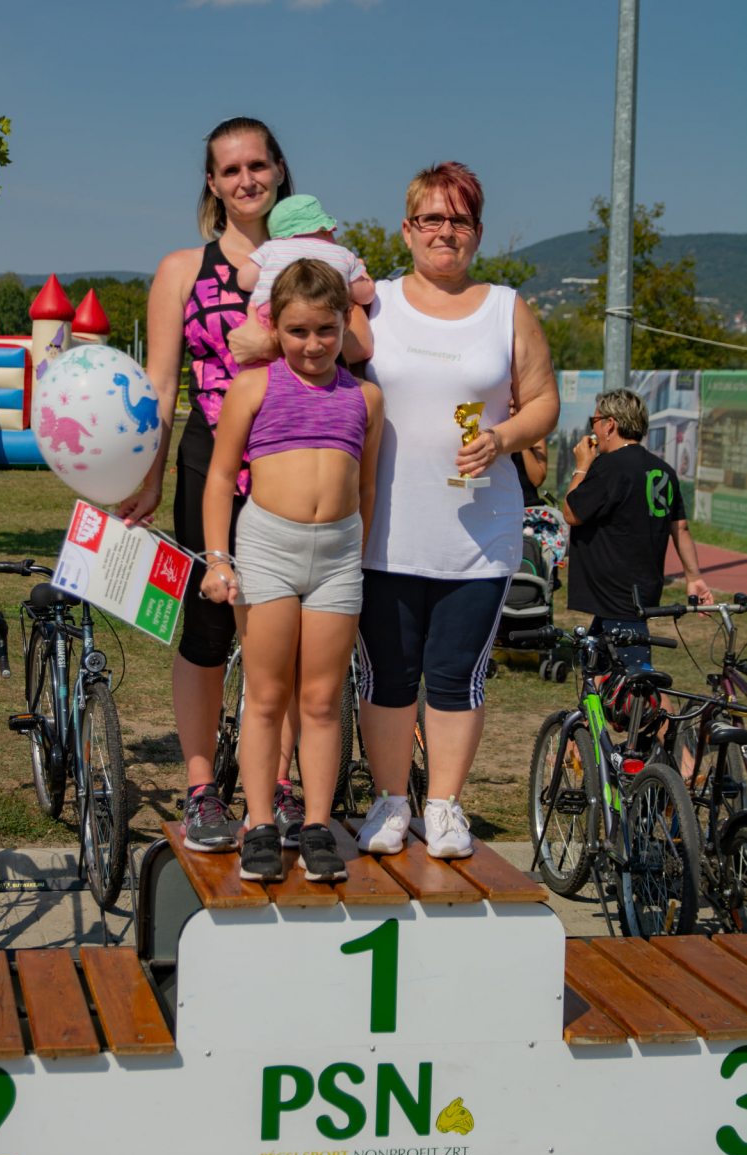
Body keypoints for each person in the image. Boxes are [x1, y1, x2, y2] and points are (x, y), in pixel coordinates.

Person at [116, 117, 371, 854]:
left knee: (290, 645)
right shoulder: (182, 269)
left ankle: (281, 786)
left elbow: (358, 343)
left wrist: (268, 340)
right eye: (230, 170)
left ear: (279, 168)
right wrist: (150, 476)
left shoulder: (319, 255)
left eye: (257, 165)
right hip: (215, 462)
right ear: (212, 183)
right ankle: (202, 786)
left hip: (305, 463)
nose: (246, 180)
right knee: (207, 627)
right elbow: (161, 383)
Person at [356, 161, 560, 860]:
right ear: (407, 229)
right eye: (432, 219)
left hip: (478, 534)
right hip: (382, 532)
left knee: (455, 675)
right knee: (386, 675)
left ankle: (442, 806)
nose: (445, 231)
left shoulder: (506, 308)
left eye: (460, 219)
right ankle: (390, 802)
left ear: (477, 231)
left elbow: (544, 403)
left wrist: (503, 437)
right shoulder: (373, 305)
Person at [200, 259, 384, 882]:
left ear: (346, 325)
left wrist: (356, 556)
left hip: (337, 558)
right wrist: (217, 558)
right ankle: (258, 824)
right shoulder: (254, 387)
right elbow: (220, 478)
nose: (313, 344)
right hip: (267, 552)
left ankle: (316, 826)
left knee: (324, 700)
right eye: (297, 331)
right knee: (266, 695)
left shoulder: (365, 398)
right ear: (274, 326)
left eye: (326, 330)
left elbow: (366, 486)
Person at [563, 387, 714, 663]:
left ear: (610, 424)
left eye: (594, 421)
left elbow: (571, 512)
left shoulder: (608, 466)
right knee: (594, 668)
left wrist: (582, 466)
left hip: (615, 594)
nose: (592, 429)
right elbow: (680, 528)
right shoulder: (664, 470)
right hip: (638, 591)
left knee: (635, 676)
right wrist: (694, 578)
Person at [237, 194, 375, 327]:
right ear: (326, 230)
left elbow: (245, 281)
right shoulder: (342, 254)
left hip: (273, 320)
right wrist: (360, 268)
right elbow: (367, 295)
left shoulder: (271, 249)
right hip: (323, 322)